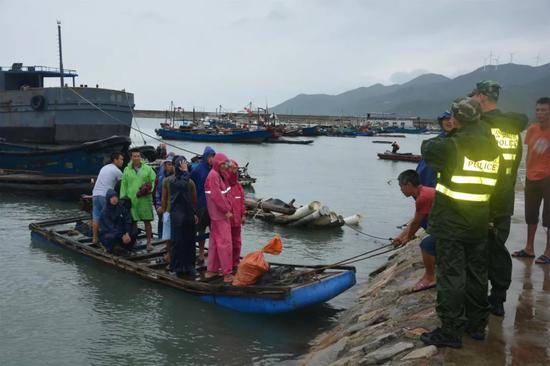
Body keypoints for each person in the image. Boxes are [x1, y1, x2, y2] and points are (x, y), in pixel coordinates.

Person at [420, 97, 501, 348]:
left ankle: (450, 330)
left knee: (452, 275)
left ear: (456, 119)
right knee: (477, 274)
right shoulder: (493, 149)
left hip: (453, 222)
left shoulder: (451, 146)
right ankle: (477, 325)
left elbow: (427, 147)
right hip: (478, 219)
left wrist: (451, 130)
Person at [469, 80, 528, 316]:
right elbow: (513, 167)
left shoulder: (481, 127)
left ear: (482, 97)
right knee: (498, 250)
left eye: (474, 96)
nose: (472, 100)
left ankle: (478, 305)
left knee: (480, 255)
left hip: (483, 200)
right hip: (504, 198)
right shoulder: (512, 129)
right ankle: (498, 299)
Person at [513, 97, 550, 264]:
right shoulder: (532, 129)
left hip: (548, 177)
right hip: (531, 177)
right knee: (530, 214)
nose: (540, 113)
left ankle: (548, 252)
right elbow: (529, 154)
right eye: (538, 110)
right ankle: (529, 248)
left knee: (548, 216)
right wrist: (526, 173)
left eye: (544, 110)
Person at [392, 170, 436, 292]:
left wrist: (407, 238)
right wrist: (401, 236)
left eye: (401, 186)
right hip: (446, 227)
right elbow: (415, 221)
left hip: (452, 228)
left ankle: (430, 277)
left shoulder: (423, 197)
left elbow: (416, 223)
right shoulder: (425, 192)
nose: (401, 190)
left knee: (426, 245)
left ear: (409, 184)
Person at [204, 153, 233, 283]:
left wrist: (229, 168)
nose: (224, 166)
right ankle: (227, 273)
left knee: (215, 244)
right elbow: (217, 196)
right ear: (217, 163)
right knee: (225, 244)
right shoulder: (214, 176)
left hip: (215, 216)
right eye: (222, 164)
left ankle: (212, 270)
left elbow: (230, 182)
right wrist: (226, 210)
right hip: (220, 216)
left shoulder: (216, 175)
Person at [120, 148, 157, 251]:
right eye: (134, 156)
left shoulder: (148, 169)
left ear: (140, 157)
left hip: (144, 199)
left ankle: (149, 242)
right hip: (131, 199)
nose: (136, 158)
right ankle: (134, 240)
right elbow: (124, 185)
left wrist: (150, 189)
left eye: (138, 156)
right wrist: (123, 199)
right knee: (133, 222)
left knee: (147, 221)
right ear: (131, 158)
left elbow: (153, 181)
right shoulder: (127, 170)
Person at [169, 156, 199, 277]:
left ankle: (190, 266)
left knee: (190, 241)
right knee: (178, 242)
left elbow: (192, 199)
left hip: (188, 213)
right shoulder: (173, 181)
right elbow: (181, 185)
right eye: (182, 165)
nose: (184, 166)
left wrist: (195, 213)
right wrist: (186, 171)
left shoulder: (189, 181)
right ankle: (177, 268)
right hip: (177, 214)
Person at [92, 152, 124, 245]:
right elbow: (123, 186)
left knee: (96, 217)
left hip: (95, 195)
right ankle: (109, 240)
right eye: (121, 159)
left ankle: (95, 238)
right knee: (109, 218)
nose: (122, 161)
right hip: (105, 196)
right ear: (115, 160)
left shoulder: (104, 167)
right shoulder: (117, 171)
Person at [190, 146, 216, 264]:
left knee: (213, 230)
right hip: (201, 204)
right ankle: (200, 253)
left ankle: (212, 252)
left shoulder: (215, 170)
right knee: (200, 230)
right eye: (210, 156)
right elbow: (190, 185)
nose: (211, 159)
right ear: (205, 157)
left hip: (213, 205)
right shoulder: (197, 169)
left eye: (213, 157)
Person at [416, 112, 455, 187]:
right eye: (446, 119)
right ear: (441, 122)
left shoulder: (463, 142)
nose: (449, 122)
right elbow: (424, 170)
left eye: (452, 119)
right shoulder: (432, 144)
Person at [99, 189, 138, 253]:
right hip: (107, 232)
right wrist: (122, 235)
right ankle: (112, 247)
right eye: (111, 197)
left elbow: (127, 220)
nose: (114, 199)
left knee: (134, 232)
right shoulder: (105, 211)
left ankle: (127, 247)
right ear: (108, 199)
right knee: (112, 236)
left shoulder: (121, 207)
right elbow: (110, 227)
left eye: (115, 197)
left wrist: (127, 233)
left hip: (121, 231)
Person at [225, 160, 246, 268]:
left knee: (237, 243)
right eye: (232, 168)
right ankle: (226, 263)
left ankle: (236, 261)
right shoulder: (223, 184)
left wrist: (243, 215)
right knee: (227, 244)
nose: (234, 171)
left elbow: (242, 202)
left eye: (236, 169)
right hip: (226, 221)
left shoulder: (239, 187)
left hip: (237, 221)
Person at [154, 152, 175, 238]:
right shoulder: (161, 175)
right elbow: (157, 191)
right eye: (167, 164)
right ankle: (160, 239)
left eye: (171, 164)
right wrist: (158, 205)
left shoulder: (177, 176)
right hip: (163, 205)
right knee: (161, 221)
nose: (168, 166)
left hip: (173, 206)